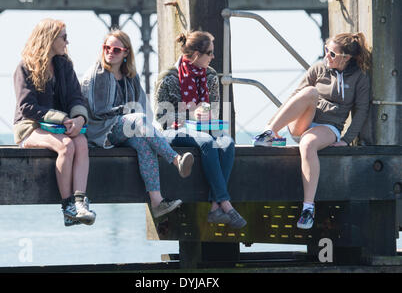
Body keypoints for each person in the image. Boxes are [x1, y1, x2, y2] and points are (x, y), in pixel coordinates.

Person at [254, 32, 372, 229]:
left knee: (308, 144)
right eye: (326, 50)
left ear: (346, 57)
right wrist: (274, 122)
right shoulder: (318, 69)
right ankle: (269, 132)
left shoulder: (360, 78)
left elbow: (361, 111)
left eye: (332, 54)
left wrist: (347, 138)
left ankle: (308, 209)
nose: (327, 56)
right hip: (303, 121)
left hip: (328, 127)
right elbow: (295, 98)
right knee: (309, 92)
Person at [80, 29, 194, 218]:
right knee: (138, 119)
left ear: (126, 52)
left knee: (144, 145)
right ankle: (176, 160)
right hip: (101, 132)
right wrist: (129, 113)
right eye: (106, 47)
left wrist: (152, 127)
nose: (110, 52)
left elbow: (143, 106)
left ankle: (157, 202)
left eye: (116, 49)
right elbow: (97, 110)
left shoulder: (131, 77)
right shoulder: (96, 74)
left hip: (124, 129)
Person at [154, 30, 247, 229]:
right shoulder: (168, 78)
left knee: (227, 142)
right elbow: (161, 118)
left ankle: (214, 208)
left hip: (204, 128)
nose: (213, 57)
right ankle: (226, 204)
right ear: (196, 54)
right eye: (210, 53)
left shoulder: (211, 75)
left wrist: (206, 114)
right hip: (173, 131)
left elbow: (213, 109)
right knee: (207, 142)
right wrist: (188, 115)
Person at [13, 18, 96, 227]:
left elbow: (76, 98)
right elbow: (27, 108)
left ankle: (80, 202)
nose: (67, 42)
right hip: (30, 127)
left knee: (82, 143)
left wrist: (79, 118)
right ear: (49, 39)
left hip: (60, 126)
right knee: (66, 146)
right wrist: (62, 118)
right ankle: (68, 207)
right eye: (64, 38)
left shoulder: (64, 65)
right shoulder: (24, 67)